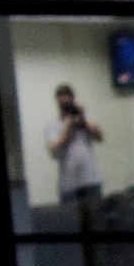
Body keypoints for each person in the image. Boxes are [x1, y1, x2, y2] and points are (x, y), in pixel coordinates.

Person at [45, 84, 105, 225]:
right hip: (68, 186)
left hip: (91, 182)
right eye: (63, 103)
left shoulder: (84, 121)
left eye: (68, 102)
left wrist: (83, 121)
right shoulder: (51, 125)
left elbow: (100, 137)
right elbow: (54, 150)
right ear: (57, 103)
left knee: (96, 226)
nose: (66, 106)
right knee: (71, 227)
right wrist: (68, 126)